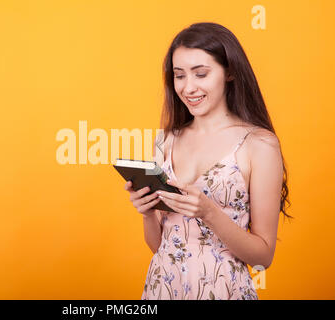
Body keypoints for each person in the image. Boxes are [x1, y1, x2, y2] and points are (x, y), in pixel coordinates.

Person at [124, 22, 292, 300]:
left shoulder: (258, 144)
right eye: (179, 76)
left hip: (224, 291)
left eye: (201, 74)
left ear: (230, 73)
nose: (188, 87)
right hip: (162, 290)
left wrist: (209, 213)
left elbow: (263, 257)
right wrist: (147, 214)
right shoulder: (166, 140)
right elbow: (161, 248)